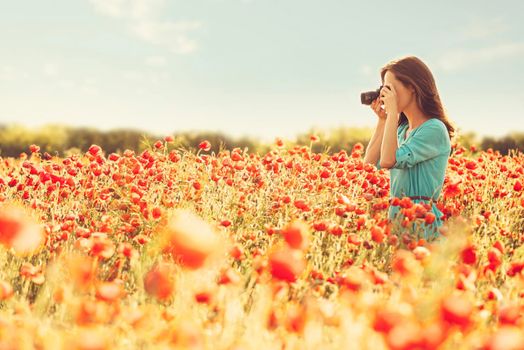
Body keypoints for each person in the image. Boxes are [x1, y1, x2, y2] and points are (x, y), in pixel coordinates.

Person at [363, 56, 456, 242]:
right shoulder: (402, 130)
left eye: (390, 88)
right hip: (397, 220)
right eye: (384, 89)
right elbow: (369, 164)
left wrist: (391, 115)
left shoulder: (434, 128)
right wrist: (382, 121)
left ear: (412, 87)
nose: (385, 94)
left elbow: (389, 160)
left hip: (422, 222)